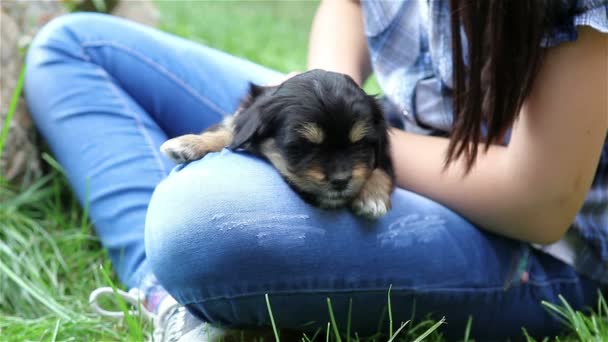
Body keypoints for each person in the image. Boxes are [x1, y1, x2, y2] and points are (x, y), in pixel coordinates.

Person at [24, 0, 607, 340]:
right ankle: (171, 302)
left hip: (526, 240)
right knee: (74, 48)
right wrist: (324, 98)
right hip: (373, 125)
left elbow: (541, 201)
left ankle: (190, 278)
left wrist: (368, 147)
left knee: (194, 227)